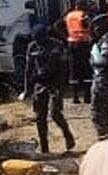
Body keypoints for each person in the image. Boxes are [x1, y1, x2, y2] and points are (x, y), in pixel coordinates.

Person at [22, 24, 76, 154]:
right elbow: (28, 69)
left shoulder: (57, 45)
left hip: (55, 83)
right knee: (40, 117)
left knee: (55, 113)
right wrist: (26, 89)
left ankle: (67, 135)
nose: (38, 41)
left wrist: (64, 86)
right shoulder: (32, 47)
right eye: (36, 38)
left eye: (40, 38)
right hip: (40, 85)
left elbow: (63, 66)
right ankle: (44, 147)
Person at [65, 0, 94, 104]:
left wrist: (66, 37)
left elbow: (58, 25)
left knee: (74, 69)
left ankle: (75, 96)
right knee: (86, 69)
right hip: (83, 43)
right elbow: (87, 26)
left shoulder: (69, 15)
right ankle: (87, 97)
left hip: (71, 43)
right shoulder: (83, 15)